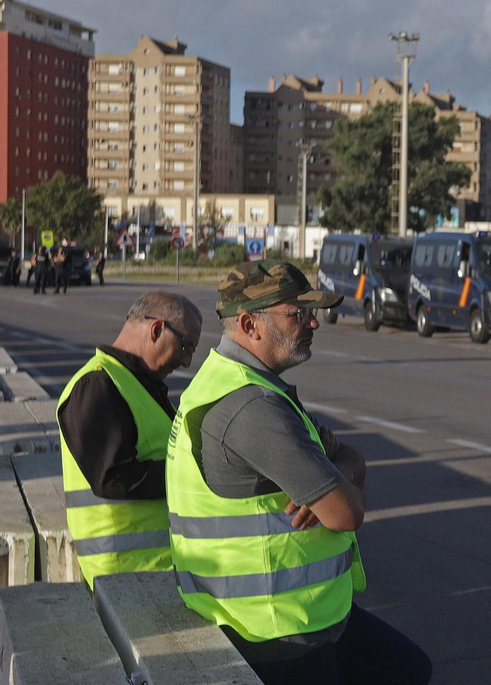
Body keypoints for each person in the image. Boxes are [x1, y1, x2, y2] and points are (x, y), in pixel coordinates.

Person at [167, 262, 431, 685]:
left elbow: (351, 457)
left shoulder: (238, 383)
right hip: (278, 634)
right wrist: (342, 483)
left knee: (408, 667)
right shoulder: (252, 408)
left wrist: (338, 472)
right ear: (250, 324)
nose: (313, 323)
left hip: (299, 619)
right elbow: (346, 514)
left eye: (312, 312)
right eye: (297, 314)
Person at [57, 292, 201, 587]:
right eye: (186, 346)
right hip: (127, 577)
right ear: (157, 330)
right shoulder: (97, 385)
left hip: (153, 570)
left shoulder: (136, 384)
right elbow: (112, 477)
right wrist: (196, 474)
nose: (187, 361)